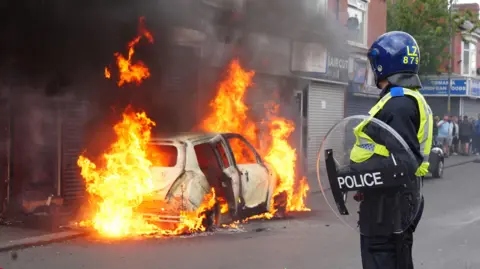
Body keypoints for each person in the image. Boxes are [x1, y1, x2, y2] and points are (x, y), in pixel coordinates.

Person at [349, 31, 433, 269]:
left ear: (383, 64)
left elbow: (402, 164)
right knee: (398, 259)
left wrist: (356, 173)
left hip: (387, 206)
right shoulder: (406, 99)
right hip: (394, 201)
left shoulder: (398, 104)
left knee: (383, 259)